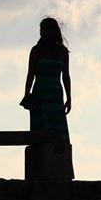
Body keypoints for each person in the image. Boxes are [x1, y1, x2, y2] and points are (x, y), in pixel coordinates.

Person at [22, 18, 74, 177]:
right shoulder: (36, 51)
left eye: (45, 29)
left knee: (58, 131)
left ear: (52, 31)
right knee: (40, 129)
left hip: (55, 96)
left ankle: (60, 167)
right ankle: (40, 168)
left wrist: (69, 97)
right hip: (40, 95)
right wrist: (26, 94)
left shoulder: (62, 52)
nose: (42, 32)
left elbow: (66, 75)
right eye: (41, 29)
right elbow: (30, 74)